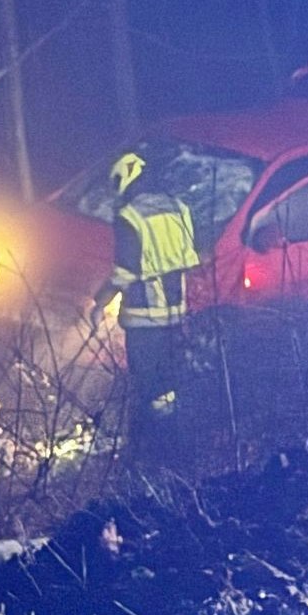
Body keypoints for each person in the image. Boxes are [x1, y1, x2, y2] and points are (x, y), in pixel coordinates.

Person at [97, 149, 207, 450]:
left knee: (145, 385)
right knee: (168, 382)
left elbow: (124, 272)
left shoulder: (129, 217)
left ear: (125, 177)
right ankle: (174, 437)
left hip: (143, 318)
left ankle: (148, 444)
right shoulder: (179, 207)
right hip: (176, 312)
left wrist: (101, 299)